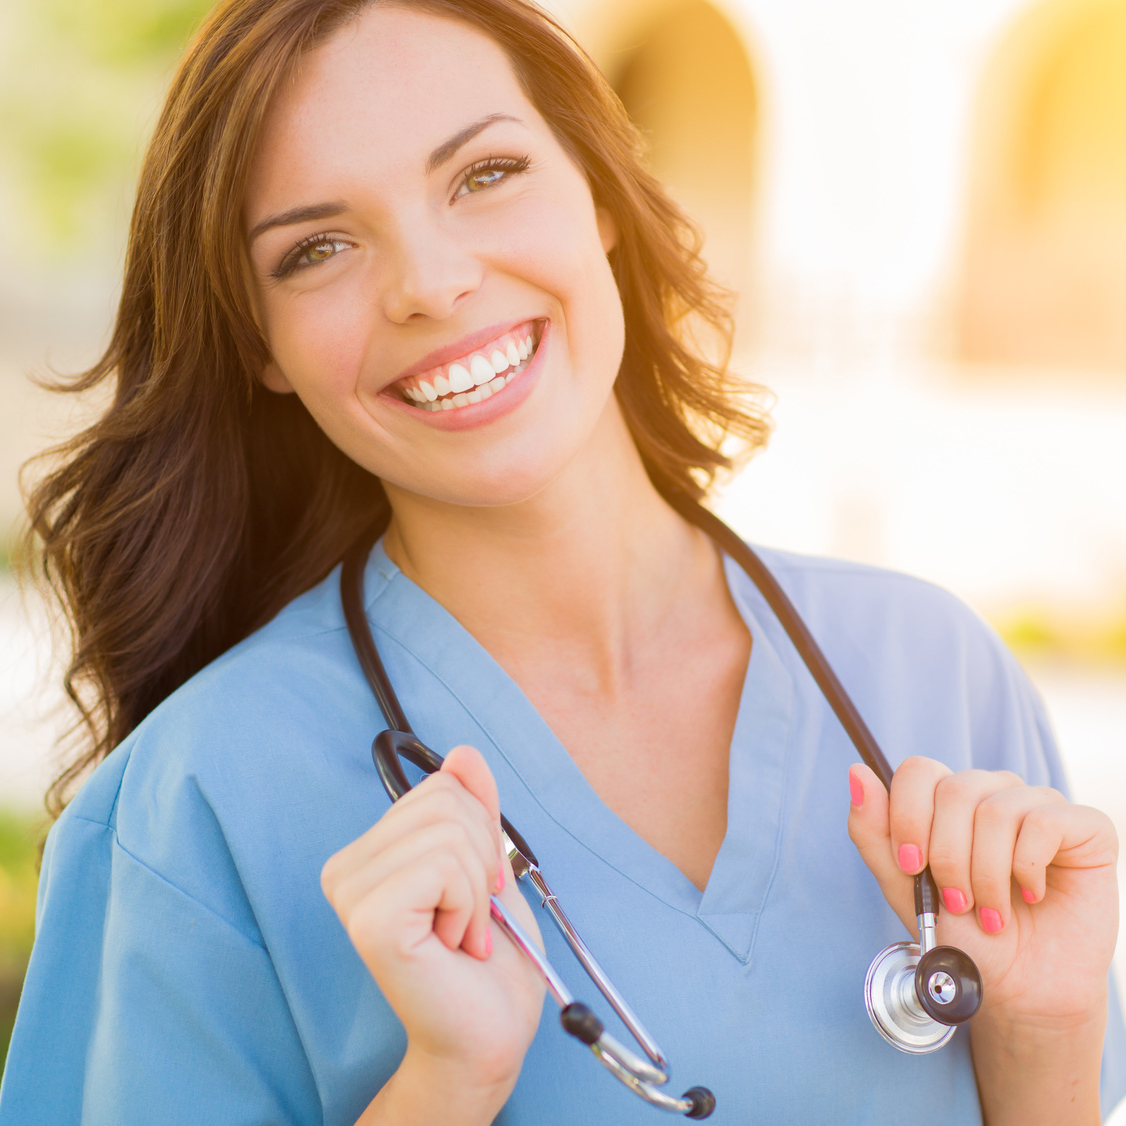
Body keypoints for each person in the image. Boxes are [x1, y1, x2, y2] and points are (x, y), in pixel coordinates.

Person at [1, 0, 1123, 1122]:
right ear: (262, 346)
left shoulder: (932, 674)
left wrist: (1047, 1033)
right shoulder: (189, 809)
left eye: (483, 174)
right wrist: (445, 1084)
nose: (430, 283)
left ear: (601, 194)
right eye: (318, 248)